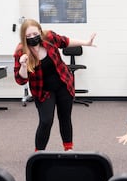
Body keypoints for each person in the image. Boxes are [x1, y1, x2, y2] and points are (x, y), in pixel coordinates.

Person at [13, 19, 96, 151]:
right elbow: (20, 80)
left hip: (63, 84)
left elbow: (65, 41)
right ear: (23, 37)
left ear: (40, 31)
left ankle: (68, 148)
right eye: (28, 36)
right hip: (43, 91)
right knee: (46, 121)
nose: (32, 38)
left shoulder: (49, 38)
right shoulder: (21, 51)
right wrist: (23, 65)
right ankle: (38, 153)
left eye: (35, 34)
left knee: (65, 117)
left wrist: (86, 43)